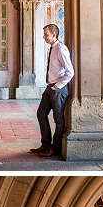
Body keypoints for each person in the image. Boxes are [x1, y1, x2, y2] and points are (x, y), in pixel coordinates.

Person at [30, 24, 74, 158]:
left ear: (54, 35)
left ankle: (55, 148)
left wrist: (57, 86)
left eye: (46, 35)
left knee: (58, 119)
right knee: (41, 114)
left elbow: (70, 72)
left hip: (57, 89)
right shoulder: (52, 49)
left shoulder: (61, 49)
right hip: (50, 88)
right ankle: (45, 144)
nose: (44, 37)